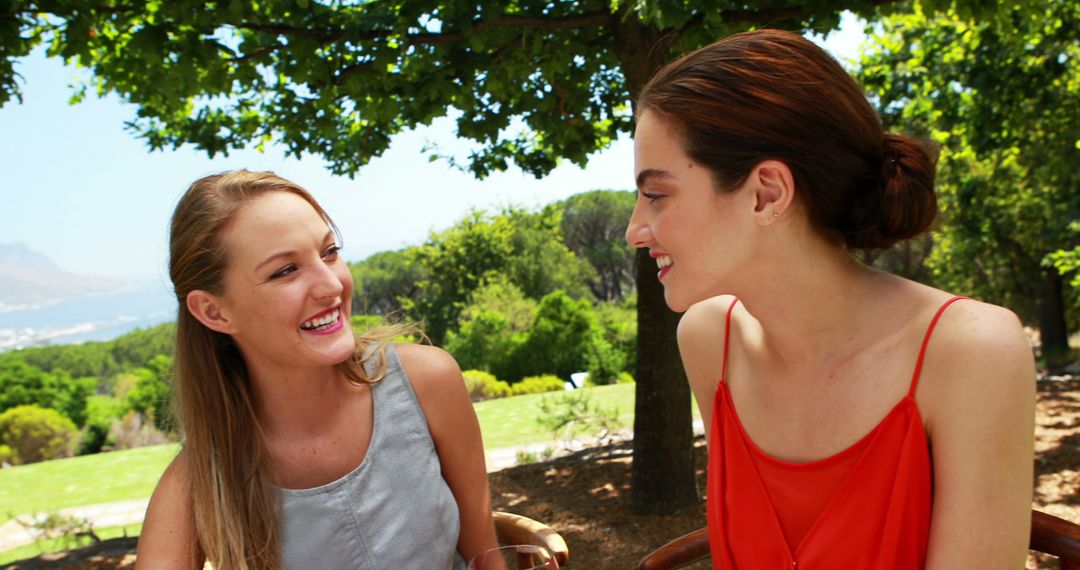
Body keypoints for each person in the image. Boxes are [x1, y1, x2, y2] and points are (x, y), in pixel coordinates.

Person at [626, 29, 1035, 568]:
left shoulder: (971, 351)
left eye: (656, 195)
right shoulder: (708, 340)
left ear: (766, 193)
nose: (635, 229)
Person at [136, 170, 498, 569]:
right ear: (214, 311)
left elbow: (488, 557)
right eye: (286, 271)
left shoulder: (429, 381)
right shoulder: (196, 483)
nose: (332, 285)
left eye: (329, 251)